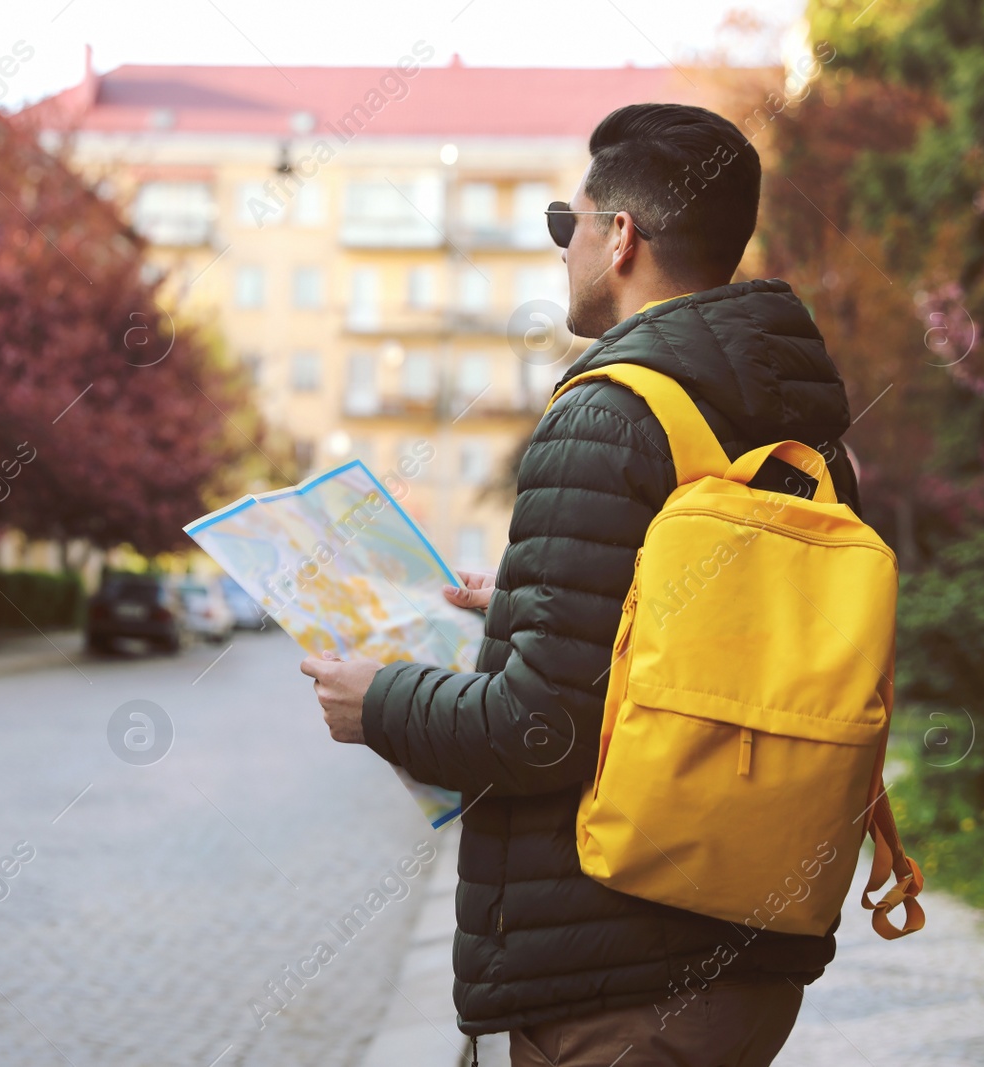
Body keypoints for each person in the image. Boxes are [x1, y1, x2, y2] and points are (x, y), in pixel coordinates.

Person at [300, 102, 862, 1066]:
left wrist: (378, 701)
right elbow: (692, 648)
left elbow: (542, 725)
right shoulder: (800, 425)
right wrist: (521, 603)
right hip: (745, 951)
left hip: (619, 975)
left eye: (569, 223)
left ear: (621, 236)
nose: (563, 250)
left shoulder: (611, 411)